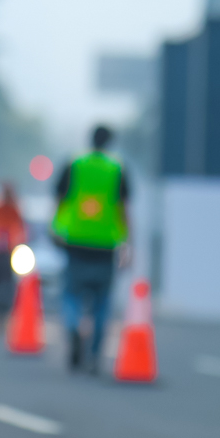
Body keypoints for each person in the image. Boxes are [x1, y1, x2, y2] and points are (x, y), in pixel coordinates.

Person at [53, 124, 130, 372]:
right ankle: (95, 355)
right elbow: (123, 209)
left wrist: (55, 227)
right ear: (110, 142)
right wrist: (128, 243)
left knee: (71, 295)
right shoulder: (116, 168)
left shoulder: (75, 164)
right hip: (105, 245)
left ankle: (73, 327)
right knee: (102, 303)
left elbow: (60, 199)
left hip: (76, 240)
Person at [0, 179, 30, 324]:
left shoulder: (15, 211)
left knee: (9, 283)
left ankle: (6, 311)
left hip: (10, 252)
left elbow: (22, 231)